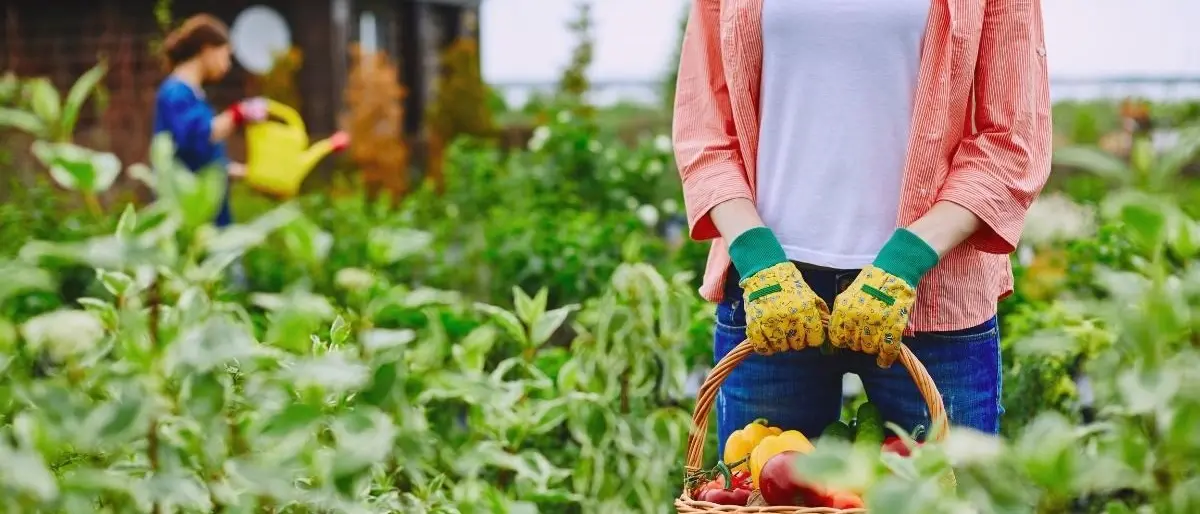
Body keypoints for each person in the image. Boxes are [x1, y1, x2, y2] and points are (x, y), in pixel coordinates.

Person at [671, 0, 1052, 455]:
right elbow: (705, 132)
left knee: (946, 497)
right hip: (769, 296)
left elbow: (1011, 141)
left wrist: (905, 262)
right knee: (758, 496)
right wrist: (757, 258)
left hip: (931, 293)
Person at [153, 13, 267, 228]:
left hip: (209, 208)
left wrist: (248, 173)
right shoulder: (176, 93)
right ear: (207, 50)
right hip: (191, 211)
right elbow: (199, 136)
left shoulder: (193, 94)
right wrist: (239, 113)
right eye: (226, 55)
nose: (228, 64)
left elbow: (199, 158)